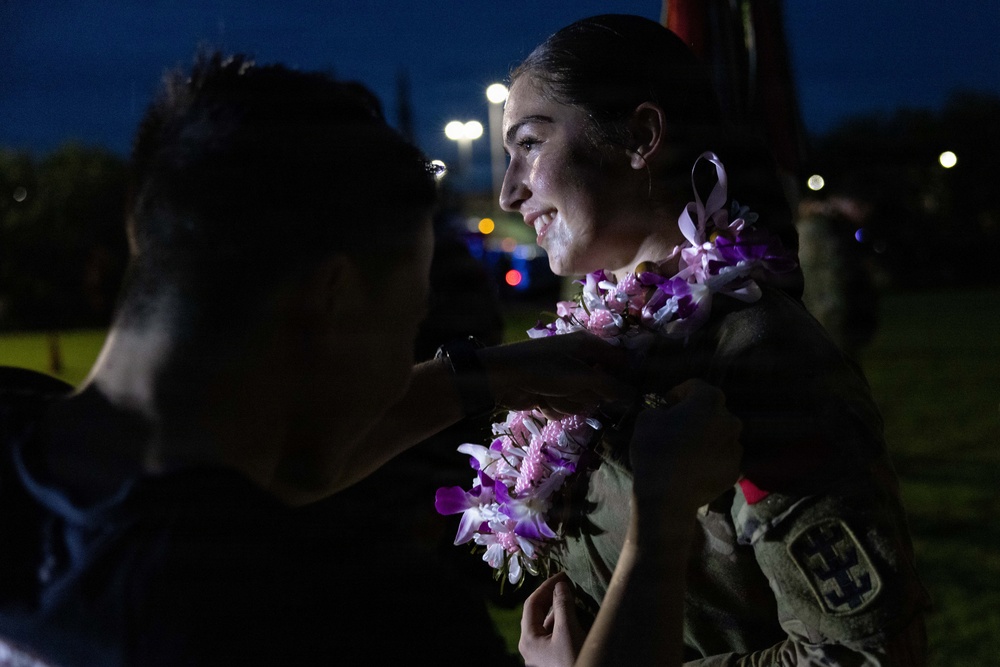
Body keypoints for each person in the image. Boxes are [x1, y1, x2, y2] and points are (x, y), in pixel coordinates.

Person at [0, 52, 742, 666]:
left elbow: (291, 468)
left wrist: (487, 377)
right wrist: (658, 533)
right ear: (334, 296)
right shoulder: (342, 611)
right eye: (408, 319)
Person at [498, 15, 929, 666]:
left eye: (529, 144)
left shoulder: (756, 353)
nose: (508, 192)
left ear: (641, 136)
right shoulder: (589, 341)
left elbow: (863, 653)